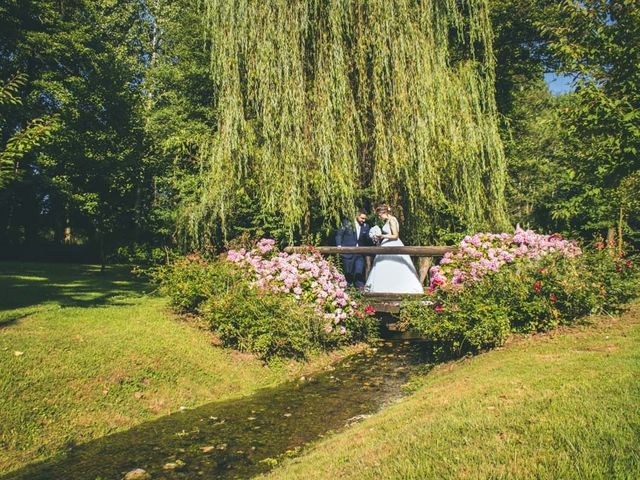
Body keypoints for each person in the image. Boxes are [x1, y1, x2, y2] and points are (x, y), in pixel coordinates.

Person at [365, 204, 423, 293]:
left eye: (380, 215)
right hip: (387, 244)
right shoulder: (389, 220)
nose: (379, 217)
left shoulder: (392, 220)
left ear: (384, 212)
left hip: (393, 245)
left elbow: (395, 235)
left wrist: (382, 236)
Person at [335, 208, 372, 288]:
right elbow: (339, 234)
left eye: (365, 218)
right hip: (348, 253)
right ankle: (347, 291)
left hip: (360, 254)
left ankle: (360, 290)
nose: (364, 220)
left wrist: (374, 237)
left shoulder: (366, 226)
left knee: (358, 272)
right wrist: (339, 246)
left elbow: (367, 239)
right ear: (357, 216)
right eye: (362, 218)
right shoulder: (346, 223)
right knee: (348, 274)